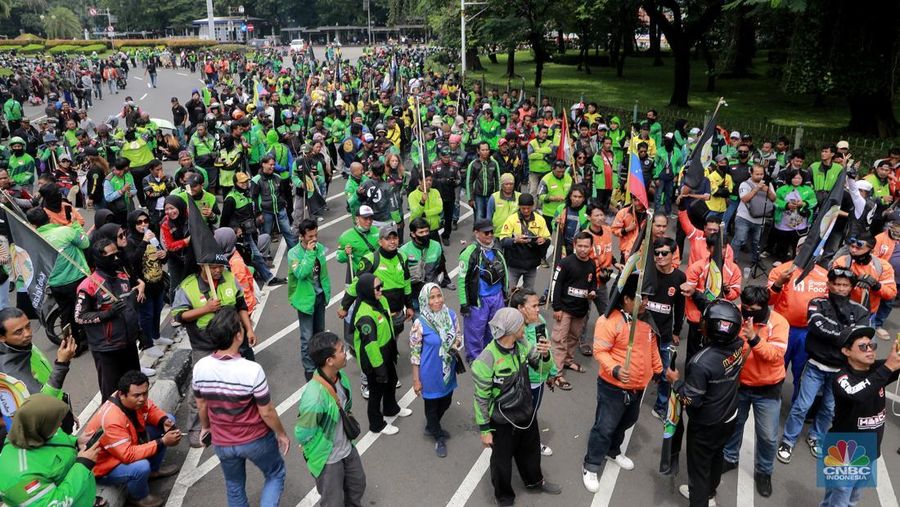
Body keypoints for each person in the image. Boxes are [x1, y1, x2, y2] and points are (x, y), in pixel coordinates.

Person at [193, 309, 289, 507]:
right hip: (255, 439)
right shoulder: (252, 370)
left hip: (222, 442)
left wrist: (206, 427)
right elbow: (266, 412)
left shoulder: (200, 367)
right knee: (275, 474)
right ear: (238, 335)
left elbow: (201, 404)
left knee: (234, 486)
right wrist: (281, 434)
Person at [777, 267, 869, 464]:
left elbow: (861, 338)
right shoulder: (817, 302)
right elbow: (818, 328)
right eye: (837, 284)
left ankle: (816, 437)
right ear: (829, 285)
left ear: (851, 287)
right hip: (815, 366)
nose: (840, 288)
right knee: (802, 406)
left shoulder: (861, 311)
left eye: (845, 285)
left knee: (828, 408)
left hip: (841, 371)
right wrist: (846, 334)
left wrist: (840, 333)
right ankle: (788, 440)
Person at [472, 308, 561, 506]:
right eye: (521, 324)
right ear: (511, 330)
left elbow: (542, 369)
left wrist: (545, 355)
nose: (525, 327)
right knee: (501, 463)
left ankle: (534, 482)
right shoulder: (486, 360)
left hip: (526, 413)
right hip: (502, 422)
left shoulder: (523, 344)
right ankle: (504, 498)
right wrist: (485, 430)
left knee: (531, 452)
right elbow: (481, 399)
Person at [582, 274, 663, 492]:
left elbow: (652, 347)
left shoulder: (646, 320)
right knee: (604, 427)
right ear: (626, 299)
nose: (646, 303)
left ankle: (613, 451)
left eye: (647, 298)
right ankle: (591, 465)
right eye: (642, 298)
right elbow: (600, 351)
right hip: (613, 387)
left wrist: (658, 369)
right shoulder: (608, 321)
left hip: (638, 387)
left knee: (627, 421)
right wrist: (616, 369)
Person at [666, 300, 745, 507]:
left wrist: (676, 382)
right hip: (729, 416)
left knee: (698, 471)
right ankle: (710, 493)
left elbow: (691, 399)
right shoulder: (739, 345)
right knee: (717, 456)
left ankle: (701, 499)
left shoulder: (701, 363)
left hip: (706, 425)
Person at [171, 259, 257, 446]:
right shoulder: (188, 286)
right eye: (213, 267)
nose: (218, 270)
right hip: (204, 345)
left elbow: (241, 306)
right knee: (199, 388)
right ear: (202, 266)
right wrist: (206, 309)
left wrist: (249, 329)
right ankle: (196, 429)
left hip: (230, 343)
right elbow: (179, 316)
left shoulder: (229, 278)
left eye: (220, 266)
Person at [719, 286, 788, 498]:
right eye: (745, 308)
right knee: (734, 425)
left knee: (767, 436)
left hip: (768, 389)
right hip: (739, 385)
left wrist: (754, 338)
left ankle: (764, 472)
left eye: (754, 310)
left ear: (765, 306)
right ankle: (730, 457)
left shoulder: (778, 323)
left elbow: (775, 355)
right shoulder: (736, 315)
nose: (748, 312)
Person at [821, 326, 900, 506]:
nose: (870, 349)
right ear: (846, 351)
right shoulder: (841, 378)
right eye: (863, 346)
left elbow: (891, 368)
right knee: (839, 501)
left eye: (872, 345)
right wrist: (888, 367)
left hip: (868, 449)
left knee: (852, 499)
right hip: (844, 451)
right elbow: (856, 394)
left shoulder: (878, 370)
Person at [85, 371, 181, 507]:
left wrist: (163, 421)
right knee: (141, 467)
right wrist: (162, 442)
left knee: (169, 420)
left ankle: (154, 471)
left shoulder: (131, 397)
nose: (142, 399)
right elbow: (127, 455)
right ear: (122, 394)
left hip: (124, 445)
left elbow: (150, 409)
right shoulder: (112, 419)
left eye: (145, 393)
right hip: (105, 466)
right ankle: (139, 497)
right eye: (137, 395)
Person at [296, 330, 367, 506]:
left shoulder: (341, 377)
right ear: (329, 361)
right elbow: (303, 433)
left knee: (357, 485)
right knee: (333, 501)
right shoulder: (314, 397)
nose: (345, 353)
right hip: (328, 458)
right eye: (341, 350)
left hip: (346, 448)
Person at [0, 394, 101, 507]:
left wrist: (76, 442)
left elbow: (56, 439)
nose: (60, 424)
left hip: (82, 496)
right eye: (56, 422)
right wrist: (83, 465)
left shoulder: (36, 431)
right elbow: (55, 503)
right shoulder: (21, 477)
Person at [75, 239, 145, 399]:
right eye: (111, 256)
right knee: (112, 395)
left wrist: (139, 331)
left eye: (117, 254)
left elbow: (130, 308)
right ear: (99, 259)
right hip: (107, 349)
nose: (116, 259)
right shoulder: (88, 286)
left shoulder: (123, 277)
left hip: (129, 345)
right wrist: (107, 314)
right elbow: (79, 317)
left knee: (136, 389)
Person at [0, 307, 77, 441]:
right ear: (2, 337)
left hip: (58, 410)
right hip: (50, 428)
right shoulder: (10, 371)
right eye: (19, 332)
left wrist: (66, 409)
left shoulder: (22, 345)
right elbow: (42, 401)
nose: (27, 334)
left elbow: (45, 377)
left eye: (28, 326)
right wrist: (62, 364)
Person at [351, 273, 412, 434]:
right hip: (374, 360)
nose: (381, 290)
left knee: (391, 382)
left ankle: (391, 408)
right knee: (376, 392)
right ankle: (376, 424)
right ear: (366, 290)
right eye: (377, 288)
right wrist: (379, 368)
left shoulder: (381, 300)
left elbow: (388, 325)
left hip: (387, 351)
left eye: (381, 285)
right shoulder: (365, 316)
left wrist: (392, 350)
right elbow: (370, 346)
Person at [409, 283, 462, 458]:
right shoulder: (420, 323)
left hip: (447, 369)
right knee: (431, 407)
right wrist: (416, 380)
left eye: (439, 296)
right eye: (432, 297)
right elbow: (415, 354)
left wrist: (454, 345)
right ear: (425, 300)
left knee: (446, 401)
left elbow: (458, 336)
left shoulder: (451, 315)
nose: (437, 300)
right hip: (429, 373)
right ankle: (438, 435)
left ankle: (432, 426)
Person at [28, 207, 89, 353]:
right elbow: (85, 243)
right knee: (84, 310)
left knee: (67, 314)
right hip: (77, 279)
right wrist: (75, 225)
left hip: (55, 284)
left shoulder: (33, 240)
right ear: (49, 218)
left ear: (33, 225)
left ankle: (73, 347)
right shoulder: (65, 231)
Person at [682, 233, 742, 362]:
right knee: (693, 353)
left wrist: (727, 290)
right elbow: (688, 291)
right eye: (717, 247)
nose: (721, 250)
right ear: (708, 248)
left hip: (721, 319)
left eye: (724, 247)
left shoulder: (734, 269)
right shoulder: (697, 267)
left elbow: (735, 294)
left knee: (716, 355)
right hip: (698, 318)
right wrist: (706, 293)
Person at [548, 232, 596, 390]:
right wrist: (556, 307)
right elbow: (556, 285)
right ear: (574, 245)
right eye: (579, 246)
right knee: (559, 340)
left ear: (591, 247)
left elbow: (593, 282)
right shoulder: (566, 263)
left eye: (586, 246)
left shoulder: (591, 264)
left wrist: (593, 291)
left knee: (574, 338)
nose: (582, 249)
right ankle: (556, 374)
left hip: (580, 310)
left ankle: (568, 361)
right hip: (564, 309)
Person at [459, 219, 509, 361]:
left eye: (491, 232)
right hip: (479, 301)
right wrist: (464, 304)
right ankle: (474, 359)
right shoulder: (469, 253)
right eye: (486, 232)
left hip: (497, 297)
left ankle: (491, 356)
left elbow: (504, 272)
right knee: (474, 332)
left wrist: (505, 293)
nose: (490, 235)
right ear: (476, 233)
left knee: (495, 329)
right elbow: (462, 281)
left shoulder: (496, 248)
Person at [124, 209, 172, 359]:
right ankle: (148, 345)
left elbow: (162, 257)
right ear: (133, 224)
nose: (143, 224)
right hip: (143, 286)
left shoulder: (152, 236)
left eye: (145, 221)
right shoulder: (130, 241)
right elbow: (132, 262)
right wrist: (144, 242)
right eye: (139, 222)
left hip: (157, 282)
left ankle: (156, 336)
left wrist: (164, 255)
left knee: (157, 311)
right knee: (146, 315)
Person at [647, 237, 686, 420]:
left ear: (673, 254)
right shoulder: (647, 273)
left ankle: (661, 406)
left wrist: (676, 331)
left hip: (664, 335)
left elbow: (680, 307)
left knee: (665, 374)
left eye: (664, 253)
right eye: (656, 253)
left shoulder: (679, 277)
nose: (660, 257)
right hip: (644, 334)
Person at [289, 219, 331, 381]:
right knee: (307, 338)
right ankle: (309, 370)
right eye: (310, 236)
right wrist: (309, 252)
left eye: (316, 235)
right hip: (305, 300)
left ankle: (320, 365)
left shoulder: (319, 248)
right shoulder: (293, 254)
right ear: (301, 236)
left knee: (320, 335)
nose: (314, 239)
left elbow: (323, 274)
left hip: (319, 297)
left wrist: (327, 293)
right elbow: (301, 273)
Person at [831, 231, 897, 314]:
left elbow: (891, 294)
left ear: (871, 251)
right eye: (852, 246)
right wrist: (852, 281)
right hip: (840, 307)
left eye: (858, 248)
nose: (853, 250)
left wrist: (876, 285)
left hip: (866, 313)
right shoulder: (841, 261)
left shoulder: (883, 266)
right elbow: (830, 285)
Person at [498, 193, 551, 290]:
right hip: (514, 265)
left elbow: (548, 239)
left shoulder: (540, 220)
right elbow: (503, 241)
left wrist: (543, 240)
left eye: (528, 208)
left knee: (528, 294)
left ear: (533, 206)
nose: (526, 211)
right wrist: (515, 240)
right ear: (519, 206)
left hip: (532, 266)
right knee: (509, 292)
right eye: (523, 208)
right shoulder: (511, 219)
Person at [731, 164, 775, 266]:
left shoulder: (767, 184)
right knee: (739, 239)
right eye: (757, 174)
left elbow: (773, 199)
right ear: (751, 173)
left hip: (760, 219)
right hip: (744, 217)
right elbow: (744, 199)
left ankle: (756, 260)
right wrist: (756, 189)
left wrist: (767, 190)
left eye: (761, 174)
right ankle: (731, 260)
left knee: (757, 241)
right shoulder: (745, 184)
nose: (760, 176)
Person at [252, 155, 298, 249]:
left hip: (280, 209)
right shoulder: (256, 180)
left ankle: (293, 251)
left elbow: (282, 193)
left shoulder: (277, 177)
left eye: (274, 164)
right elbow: (254, 198)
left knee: (288, 231)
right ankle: (265, 254)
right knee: (265, 235)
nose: (273, 167)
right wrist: (258, 213)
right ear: (263, 164)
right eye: (270, 164)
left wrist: (283, 202)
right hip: (265, 211)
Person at [771, 170, 816, 262]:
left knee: (797, 244)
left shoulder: (808, 190)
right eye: (794, 178)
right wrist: (786, 205)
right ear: (790, 178)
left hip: (800, 224)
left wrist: (804, 203)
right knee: (783, 243)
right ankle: (781, 259)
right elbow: (775, 201)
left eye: (799, 178)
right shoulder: (782, 189)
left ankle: (796, 261)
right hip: (783, 222)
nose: (797, 180)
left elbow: (814, 201)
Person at [467, 142, 501, 221]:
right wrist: (470, 198)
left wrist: (498, 196)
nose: (485, 152)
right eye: (483, 150)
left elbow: (498, 180)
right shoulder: (473, 164)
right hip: (478, 196)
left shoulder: (494, 163)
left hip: (491, 196)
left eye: (487, 150)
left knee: (490, 218)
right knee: (479, 217)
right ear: (478, 151)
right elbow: (469, 182)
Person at [408, 170, 443, 237]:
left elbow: (439, 208)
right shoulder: (412, 195)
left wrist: (425, 214)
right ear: (419, 181)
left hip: (433, 228)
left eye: (430, 180)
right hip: (420, 231)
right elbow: (416, 213)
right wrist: (422, 202)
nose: (429, 182)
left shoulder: (435, 192)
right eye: (426, 180)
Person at [103, 158, 137, 226]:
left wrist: (131, 193)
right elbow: (108, 197)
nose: (119, 172)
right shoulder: (109, 180)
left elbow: (135, 190)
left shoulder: (128, 175)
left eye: (122, 170)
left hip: (129, 207)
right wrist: (122, 191)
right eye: (117, 169)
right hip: (117, 210)